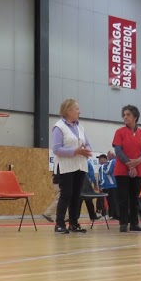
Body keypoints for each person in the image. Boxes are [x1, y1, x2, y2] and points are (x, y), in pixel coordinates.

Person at [51, 98, 94, 234]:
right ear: (69, 111)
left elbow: (88, 144)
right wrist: (75, 151)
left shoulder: (80, 127)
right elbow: (56, 149)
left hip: (80, 165)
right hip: (66, 166)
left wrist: (87, 150)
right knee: (66, 194)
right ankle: (59, 224)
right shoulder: (59, 127)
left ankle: (74, 223)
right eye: (77, 109)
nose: (79, 111)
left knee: (76, 195)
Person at [113, 105, 141, 233]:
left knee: (135, 198)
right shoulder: (119, 132)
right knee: (123, 198)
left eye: (128, 114)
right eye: (124, 115)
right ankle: (123, 223)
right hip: (122, 170)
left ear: (135, 117)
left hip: (138, 170)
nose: (125, 117)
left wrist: (138, 161)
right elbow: (118, 150)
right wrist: (130, 164)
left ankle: (134, 223)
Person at [97, 153, 117, 219]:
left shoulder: (103, 166)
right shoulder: (111, 164)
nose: (99, 161)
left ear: (105, 159)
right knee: (113, 201)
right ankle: (113, 215)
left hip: (107, 186)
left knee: (107, 201)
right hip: (114, 185)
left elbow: (101, 177)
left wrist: (101, 186)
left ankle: (108, 214)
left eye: (100, 159)